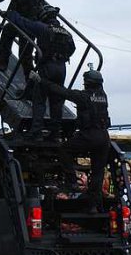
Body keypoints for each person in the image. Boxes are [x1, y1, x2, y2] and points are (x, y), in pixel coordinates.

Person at [32, 68, 111, 213]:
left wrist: (41, 80)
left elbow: (62, 91)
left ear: (87, 83)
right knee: (98, 172)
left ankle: (72, 181)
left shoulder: (83, 96)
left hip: (89, 135)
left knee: (64, 149)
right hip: (104, 137)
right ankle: (93, 205)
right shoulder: (103, 96)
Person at [8, 5, 76, 136]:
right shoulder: (67, 33)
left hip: (47, 67)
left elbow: (24, 23)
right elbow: (72, 49)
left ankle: (36, 131)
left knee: (39, 98)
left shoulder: (43, 28)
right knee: (56, 100)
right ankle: (55, 133)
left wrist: (11, 14)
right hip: (61, 68)